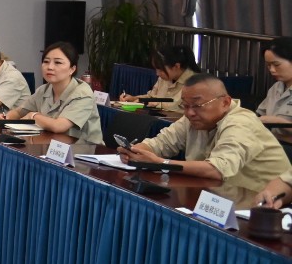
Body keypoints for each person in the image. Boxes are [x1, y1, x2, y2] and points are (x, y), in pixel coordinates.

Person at [120, 74, 292, 192]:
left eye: (197, 105)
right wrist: (136, 151)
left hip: (263, 206)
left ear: (225, 102)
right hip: (217, 196)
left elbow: (218, 170)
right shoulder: (192, 118)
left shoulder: (241, 122)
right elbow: (161, 143)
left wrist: (161, 163)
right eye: (185, 105)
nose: (190, 113)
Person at [4, 41, 104, 143]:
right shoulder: (43, 90)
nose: (50, 67)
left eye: (58, 63)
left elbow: (59, 126)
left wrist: (33, 116)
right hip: (52, 146)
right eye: (46, 62)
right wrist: (6, 117)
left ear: (72, 69)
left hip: (84, 150)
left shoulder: (82, 94)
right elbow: (19, 112)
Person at [120, 45, 200, 111]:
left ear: (176, 66)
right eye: (156, 69)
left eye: (161, 70)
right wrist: (134, 98)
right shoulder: (164, 78)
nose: (157, 73)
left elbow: (176, 106)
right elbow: (151, 96)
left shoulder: (194, 81)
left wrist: (149, 102)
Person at [256, 37, 292, 126]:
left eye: (276, 64)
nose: (272, 70)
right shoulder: (276, 87)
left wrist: (279, 122)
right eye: (268, 65)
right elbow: (260, 114)